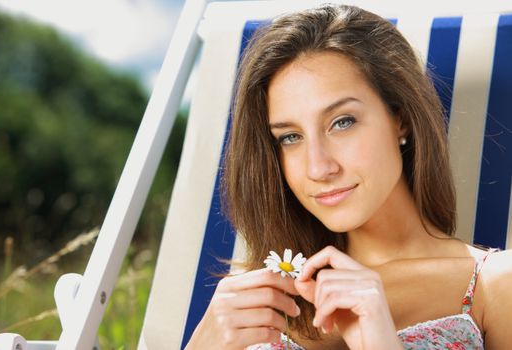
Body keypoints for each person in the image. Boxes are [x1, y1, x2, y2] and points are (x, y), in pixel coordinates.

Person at [185, 4, 512, 349]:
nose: (318, 168)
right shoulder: (256, 301)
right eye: (290, 137)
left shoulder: (494, 285)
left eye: (342, 122)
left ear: (399, 118)